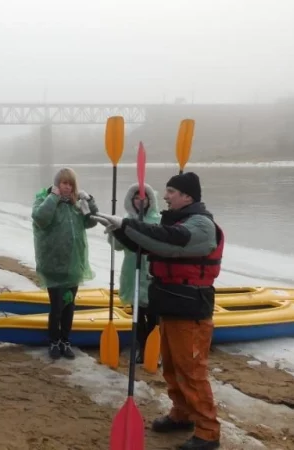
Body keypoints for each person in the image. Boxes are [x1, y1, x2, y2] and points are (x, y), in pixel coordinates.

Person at [94, 172, 223, 450]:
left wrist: (127, 224)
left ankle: (208, 432)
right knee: (173, 368)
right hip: (171, 305)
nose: (165, 197)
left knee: (191, 371)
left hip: (191, 309)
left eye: (171, 192)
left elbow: (166, 239)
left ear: (187, 196)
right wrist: (116, 228)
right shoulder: (179, 221)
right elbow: (147, 245)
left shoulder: (201, 225)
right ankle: (182, 413)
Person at [31, 167, 98, 360]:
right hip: (54, 266)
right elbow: (40, 218)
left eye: (70, 184)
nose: (67, 187)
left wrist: (89, 201)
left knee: (69, 307)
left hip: (73, 266)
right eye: (63, 183)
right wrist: (53, 197)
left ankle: (65, 341)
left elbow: (91, 221)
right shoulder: (44, 200)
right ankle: (53, 341)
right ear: (57, 184)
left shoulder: (75, 205)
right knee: (57, 306)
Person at [109, 182, 161, 364]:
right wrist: (114, 231)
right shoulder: (126, 221)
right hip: (132, 272)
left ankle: (154, 348)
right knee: (137, 314)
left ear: (149, 199)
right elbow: (117, 247)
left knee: (154, 315)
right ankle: (141, 346)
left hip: (152, 274)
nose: (140, 201)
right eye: (136, 198)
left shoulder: (158, 220)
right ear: (132, 200)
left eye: (144, 197)